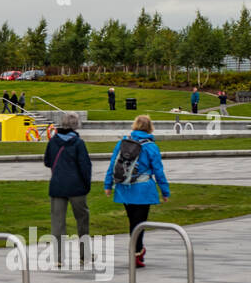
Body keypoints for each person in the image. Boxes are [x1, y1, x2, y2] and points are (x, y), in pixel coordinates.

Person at [104, 115, 171, 269]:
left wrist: (108, 184)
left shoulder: (122, 143)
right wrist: (165, 191)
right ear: (150, 128)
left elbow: (113, 165)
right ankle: (137, 252)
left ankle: (137, 251)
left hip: (125, 188)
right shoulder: (151, 147)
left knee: (133, 221)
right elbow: (158, 171)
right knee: (139, 223)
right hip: (143, 189)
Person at [44, 112, 93, 268]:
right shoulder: (78, 143)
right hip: (77, 187)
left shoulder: (53, 141)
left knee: (58, 223)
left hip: (57, 185)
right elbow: (85, 166)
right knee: (82, 220)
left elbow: (47, 161)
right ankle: (84, 255)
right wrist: (86, 185)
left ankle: (58, 258)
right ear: (76, 125)